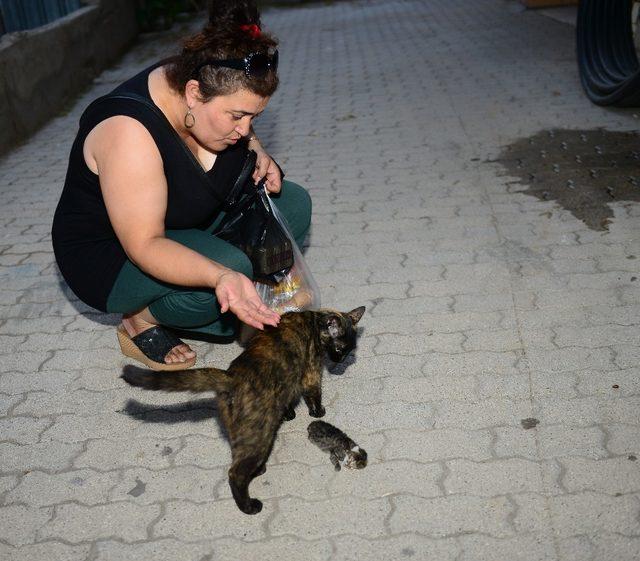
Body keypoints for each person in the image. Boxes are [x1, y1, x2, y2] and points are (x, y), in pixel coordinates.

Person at [51, 0, 312, 371]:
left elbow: (240, 123)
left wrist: (258, 149)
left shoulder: (205, 77)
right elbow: (145, 244)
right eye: (237, 116)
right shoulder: (128, 134)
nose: (245, 129)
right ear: (193, 94)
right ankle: (141, 319)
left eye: (254, 117)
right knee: (229, 271)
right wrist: (221, 275)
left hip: (177, 213)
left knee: (293, 204)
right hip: (115, 251)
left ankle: (223, 276)